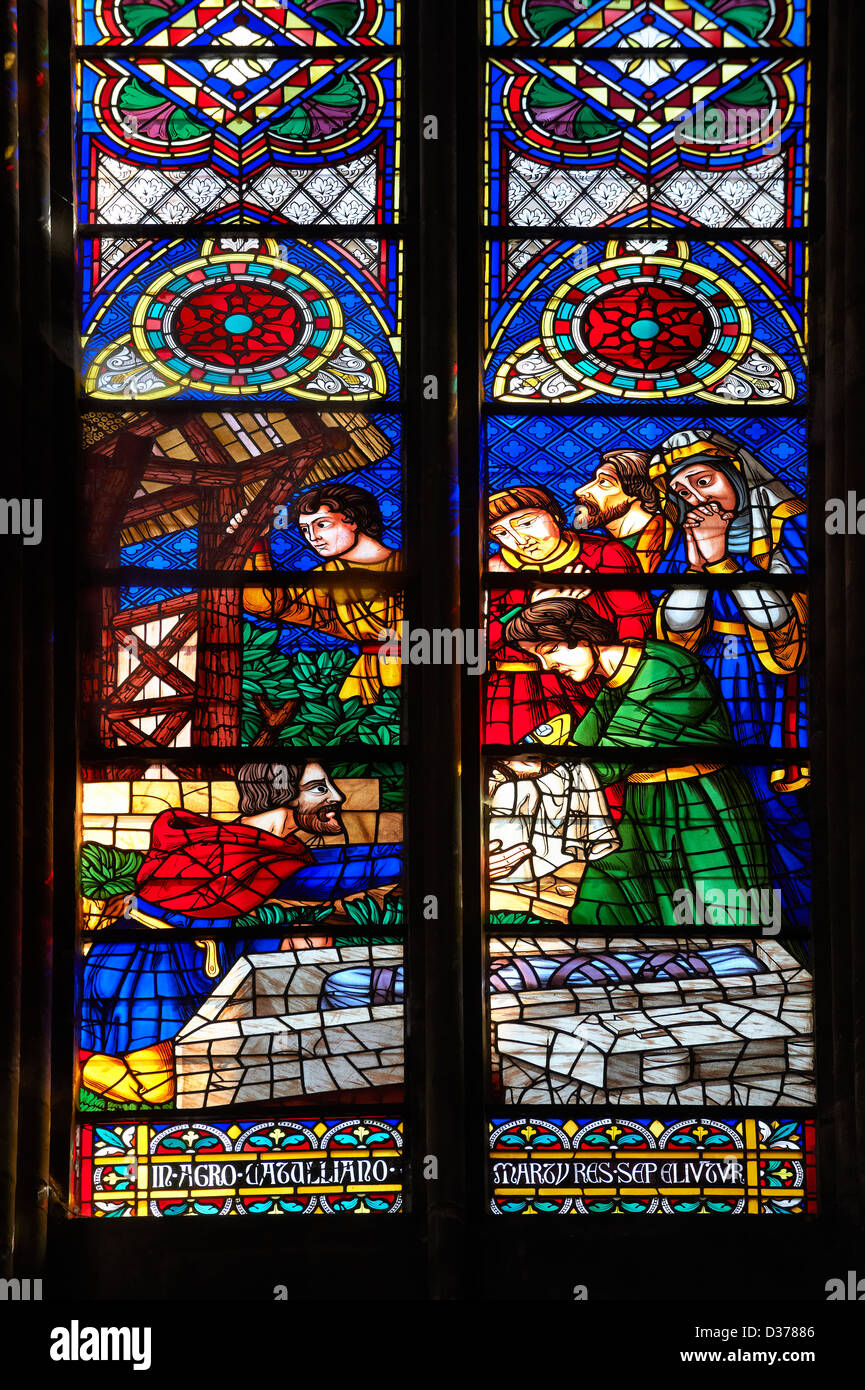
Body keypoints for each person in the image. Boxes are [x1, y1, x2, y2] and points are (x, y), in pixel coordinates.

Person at [80, 762, 402, 1104]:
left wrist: (280, 938)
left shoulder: (251, 847)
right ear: (284, 793)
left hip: (179, 959)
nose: (337, 796)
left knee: (176, 1079)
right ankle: (88, 1065)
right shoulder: (234, 854)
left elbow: (322, 868)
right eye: (319, 788)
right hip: (145, 969)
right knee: (157, 1089)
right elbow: (331, 876)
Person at [497, 596, 774, 929]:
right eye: (538, 658)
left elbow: (612, 759)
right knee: (612, 897)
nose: (547, 667)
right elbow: (578, 750)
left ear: (583, 635)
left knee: (722, 913)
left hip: (699, 807)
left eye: (550, 651)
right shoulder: (616, 682)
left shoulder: (665, 670)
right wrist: (522, 769)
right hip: (645, 804)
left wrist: (528, 787)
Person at [649, 428, 809, 928]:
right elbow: (675, 630)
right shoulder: (687, 538)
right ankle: (730, 921)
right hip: (711, 682)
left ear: (737, 473)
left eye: (704, 481)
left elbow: (778, 622)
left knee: (780, 809)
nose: (696, 499)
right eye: (682, 493)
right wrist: (698, 567)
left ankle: (801, 922)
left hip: (777, 693)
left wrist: (721, 559)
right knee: (722, 804)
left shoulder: (792, 526)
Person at [485, 483, 653, 745]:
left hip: (592, 686)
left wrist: (626, 683)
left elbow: (635, 624)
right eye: (501, 533)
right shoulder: (492, 572)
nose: (519, 540)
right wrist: (528, 611)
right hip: (510, 692)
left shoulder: (605, 554)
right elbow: (468, 644)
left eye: (526, 523)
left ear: (555, 515)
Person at [230, 482, 401, 705]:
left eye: (322, 524)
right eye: (305, 530)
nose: (313, 537)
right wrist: (256, 544)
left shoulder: (413, 567)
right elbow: (270, 606)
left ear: (354, 520)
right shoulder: (325, 578)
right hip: (365, 686)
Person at [573, 448, 676, 573]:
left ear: (638, 491)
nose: (580, 491)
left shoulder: (673, 543)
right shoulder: (589, 545)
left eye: (604, 482)